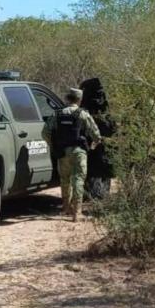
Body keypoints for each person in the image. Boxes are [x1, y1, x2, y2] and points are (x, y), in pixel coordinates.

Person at [42, 88, 102, 222]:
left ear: (68, 98)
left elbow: (45, 132)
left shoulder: (57, 114)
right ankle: (77, 213)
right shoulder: (82, 114)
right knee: (78, 180)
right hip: (79, 152)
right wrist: (92, 145)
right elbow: (96, 134)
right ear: (79, 100)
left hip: (62, 152)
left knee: (65, 180)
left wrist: (53, 146)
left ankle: (66, 208)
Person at [79, 78, 116, 199]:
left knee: (90, 167)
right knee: (103, 166)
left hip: (89, 142)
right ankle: (100, 194)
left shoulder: (85, 106)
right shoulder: (105, 106)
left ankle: (90, 194)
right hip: (103, 142)